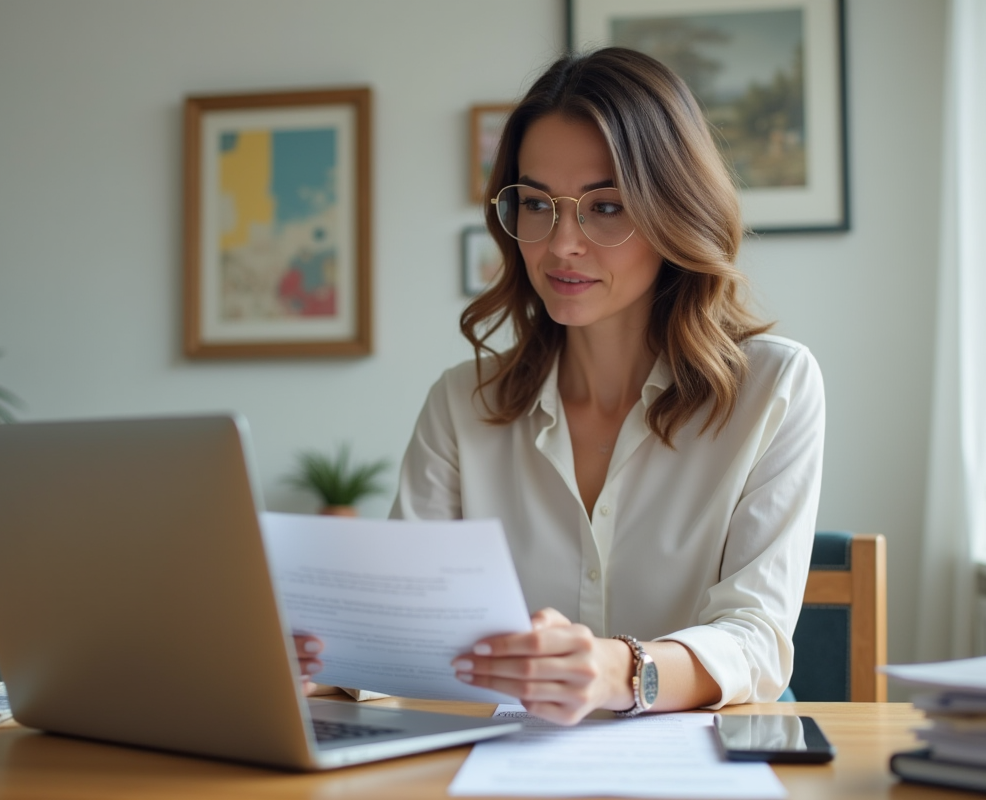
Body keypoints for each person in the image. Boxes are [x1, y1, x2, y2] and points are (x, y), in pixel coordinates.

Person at [297, 47, 825, 725]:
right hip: (501, 766)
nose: (560, 243)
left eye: (605, 207)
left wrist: (622, 670)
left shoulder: (774, 387)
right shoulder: (462, 405)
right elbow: (407, 630)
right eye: (536, 204)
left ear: (674, 212)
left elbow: (755, 639)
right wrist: (323, 672)